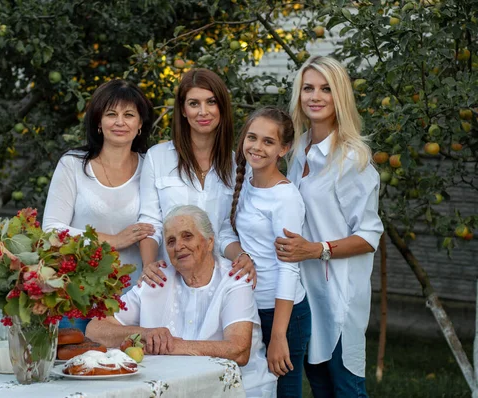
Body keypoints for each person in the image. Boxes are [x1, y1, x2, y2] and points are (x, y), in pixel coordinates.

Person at [274, 56, 383, 397]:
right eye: (308, 88)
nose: (315, 96)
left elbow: (368, 235)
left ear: (340, 98)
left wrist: (316, 249)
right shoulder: (299, 149)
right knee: (320, 388)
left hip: (339, 297)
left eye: (326, 89)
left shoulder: (353, 160)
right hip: (305, 295)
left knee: (346, 388)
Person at [86, 205, 277, 397]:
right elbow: (94, 329)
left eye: (187, 236)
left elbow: (238, 350)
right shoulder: (156, 280)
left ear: (209, 242)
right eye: (171, 241)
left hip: (237, 389)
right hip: (170, 390)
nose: (178, 246)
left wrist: (173, 345)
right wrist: (145, 333)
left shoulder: (234, 279)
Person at [42, 79, 156, 332]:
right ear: (98, 122)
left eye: (129, 115)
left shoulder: (152, 167)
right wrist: (112, 240)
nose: (120, 122)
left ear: (140, 125)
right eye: (111, 114)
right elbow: (51, 229)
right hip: (77, 295)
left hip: (132, 301)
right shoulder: (72, 164)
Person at [137, 68, 256, 291]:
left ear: (222, 106)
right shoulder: (158, 157)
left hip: (220, 283)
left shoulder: (237, 166)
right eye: (194, 103)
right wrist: (149, 265)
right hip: (167, 280)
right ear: (183, 110)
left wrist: (241, 256)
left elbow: (224, 231)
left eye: (211, 102)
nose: (203, 112)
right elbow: (150, 222)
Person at [230, 106, 310, 398]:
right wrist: (242, 255)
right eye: (252, 137)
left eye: (268, 141)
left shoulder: (285, 197)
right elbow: (232, 232)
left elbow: (288, 267)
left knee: (284, 393)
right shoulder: (246, 182)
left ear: (283, 149)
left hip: (283, 314)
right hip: (249, 307)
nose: (257, 147)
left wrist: (278, 336)